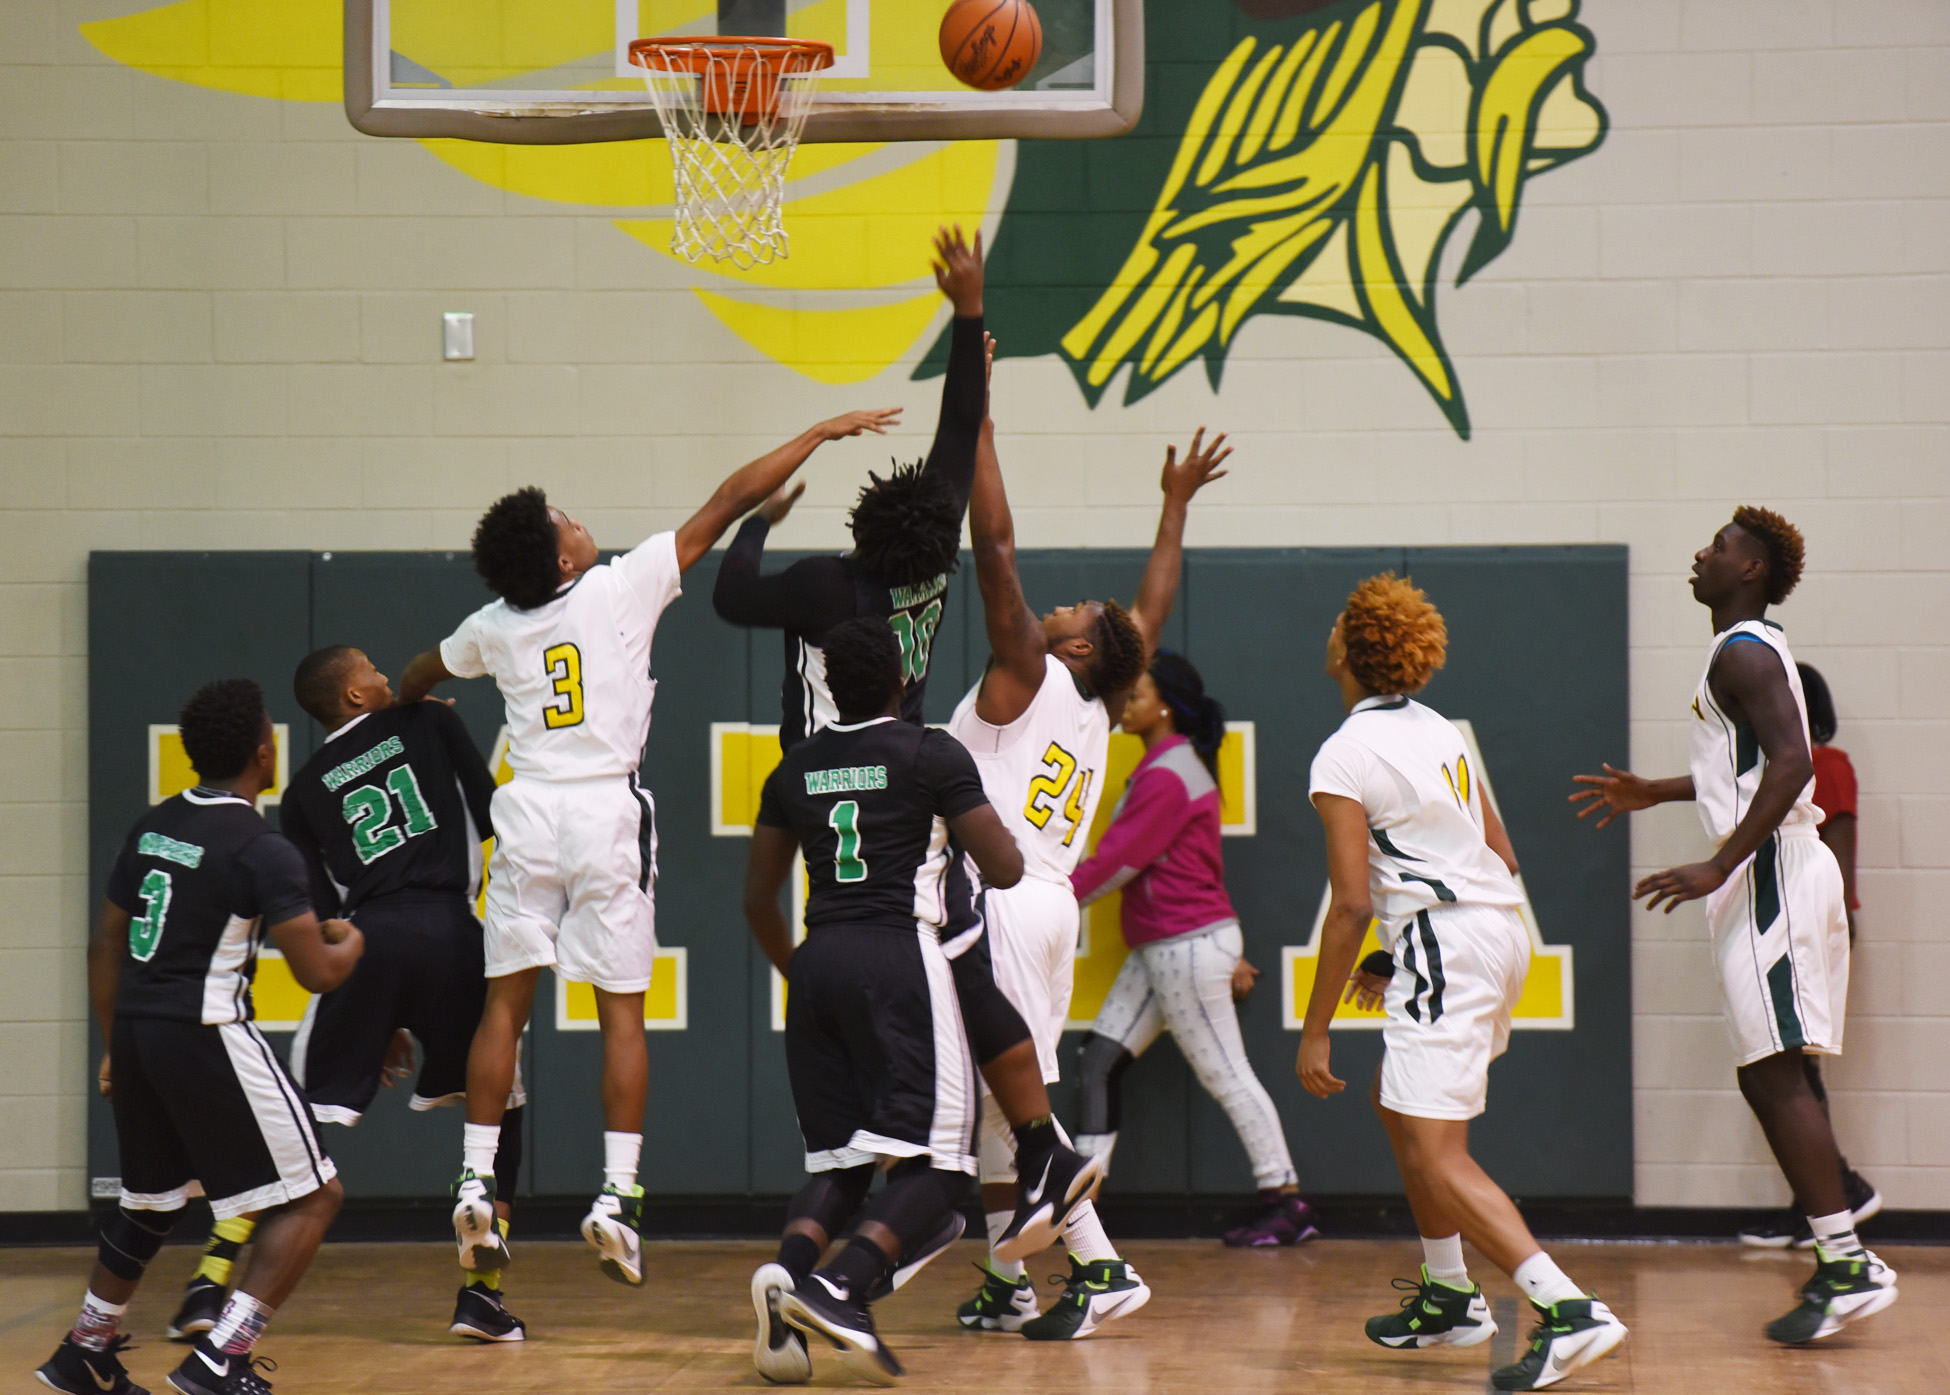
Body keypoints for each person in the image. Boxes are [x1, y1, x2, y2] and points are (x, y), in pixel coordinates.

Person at [396, 405, 900, 1290]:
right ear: (563, 559)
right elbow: (729, 496)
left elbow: (419, 672)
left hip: (527, 812)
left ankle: (474, 1176)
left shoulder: (491, 624)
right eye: (567, 521)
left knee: (503, 1008)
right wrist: (817, 434)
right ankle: (618, 1196)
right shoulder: (619, 586)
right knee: (620, 1014)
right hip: (603, 811)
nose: (579, 522)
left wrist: (409, 702)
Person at [711, 231, 1102, 1270]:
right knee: (955, 944)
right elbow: (958, 434)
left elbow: (730, 595)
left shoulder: (824, 586)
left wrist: (760, 521)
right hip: (902, 775)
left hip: (819, 777)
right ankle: (1025, 1153)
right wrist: (970, 316)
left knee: (907, 956)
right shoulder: (931, 572)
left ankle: (995, 1165)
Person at [1572, 507, 1898, 1345]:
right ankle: (1839, 1255)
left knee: (1778, 1073)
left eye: (1719, 546)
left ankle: (1848, 1263)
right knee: (1764, 1073)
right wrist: (1656, 790)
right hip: (1768, 871)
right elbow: (1747, 765)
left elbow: (1793, 763)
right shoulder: (1746, 650)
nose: (1702, 553)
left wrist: (1720, 863)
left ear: (1750, 569)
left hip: (1772, 872)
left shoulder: (1744, 651)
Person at [945, 396, 1229, 1339]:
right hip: (1046, 904)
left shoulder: (1033, 674)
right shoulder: (1098, 703)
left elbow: (996, 550)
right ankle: (1009, 1281)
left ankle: (1102, 1267)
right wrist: (1173, 508)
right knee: (1000, 1106)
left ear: (1072, 647)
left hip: (1002, 901)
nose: (1064, 600)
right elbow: (1148, 615)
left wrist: (981, 425)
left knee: (1013, 1105)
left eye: (1077, 610)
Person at [1301, 574, 1627, 1392]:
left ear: (1350, 649)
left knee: (1437, 1152)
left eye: (1340, 621)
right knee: (1397, 1102)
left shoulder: (1343, 752)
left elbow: (1350, 904)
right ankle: (1449, 1295)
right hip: (1498, 929)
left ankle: (1569, 1309)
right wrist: (1397, 954)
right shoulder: (1439, 728)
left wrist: (1316, 1028)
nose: (1331, 627)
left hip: (1448, 941)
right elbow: (1499, 852)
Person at [163, 647, 531, 1345]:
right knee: (499, 1105)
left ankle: (209, 1280)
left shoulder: (302, 790)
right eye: (371, 669)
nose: (387, 675)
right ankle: (481, 1295)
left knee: (290, 1118)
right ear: (354, 696)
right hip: (452, 933)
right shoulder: (428, 720)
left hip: (366, 939)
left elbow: (321, 912)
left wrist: (377, 1006)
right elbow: (496, 815)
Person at [36, 679, 364, 1395]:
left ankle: (84, 1349)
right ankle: (220, 1357)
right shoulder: (262, 846)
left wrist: (114, 1046)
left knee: (150, 1202)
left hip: (138, 1030)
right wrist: (352, 943)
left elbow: (105, 944)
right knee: (315, 1195)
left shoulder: (155, 825)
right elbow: (316, 972)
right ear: (263, 752)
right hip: (207, 1030)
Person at [742, 617, 1026, 1383]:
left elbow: (758, 898)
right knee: (941, 1167)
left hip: (819, 960)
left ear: (830, 685)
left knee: (842, 1162)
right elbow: (1004, 867)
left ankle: (789, 1276)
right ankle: (840, 1287)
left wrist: (801, 970)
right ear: (902, 680)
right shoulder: (931, 752)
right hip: (899, 954)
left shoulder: (795, 766)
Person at [1070, 650, 1316, 1247]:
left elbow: (1117, 863)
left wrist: (1039, 901)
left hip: (1184, 946)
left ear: (1166, 707)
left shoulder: (1168, 773)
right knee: (1100, 1061)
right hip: (1172, 945)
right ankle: (1082, 1210)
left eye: (1136, 694)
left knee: (1227, 1075)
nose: (1125, 704)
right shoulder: (1171, 765)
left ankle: (1287, 1202)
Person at [1735, 661, 1880, 1248]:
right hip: (1785, 920)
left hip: (1811, 922)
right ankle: (1820, 1199)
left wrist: (1832, 922)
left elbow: (1838, 846)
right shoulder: (1770, 771)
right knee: (1790, 1065)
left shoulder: (1827, 764)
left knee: (1788, 1067)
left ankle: (1840, 1191)